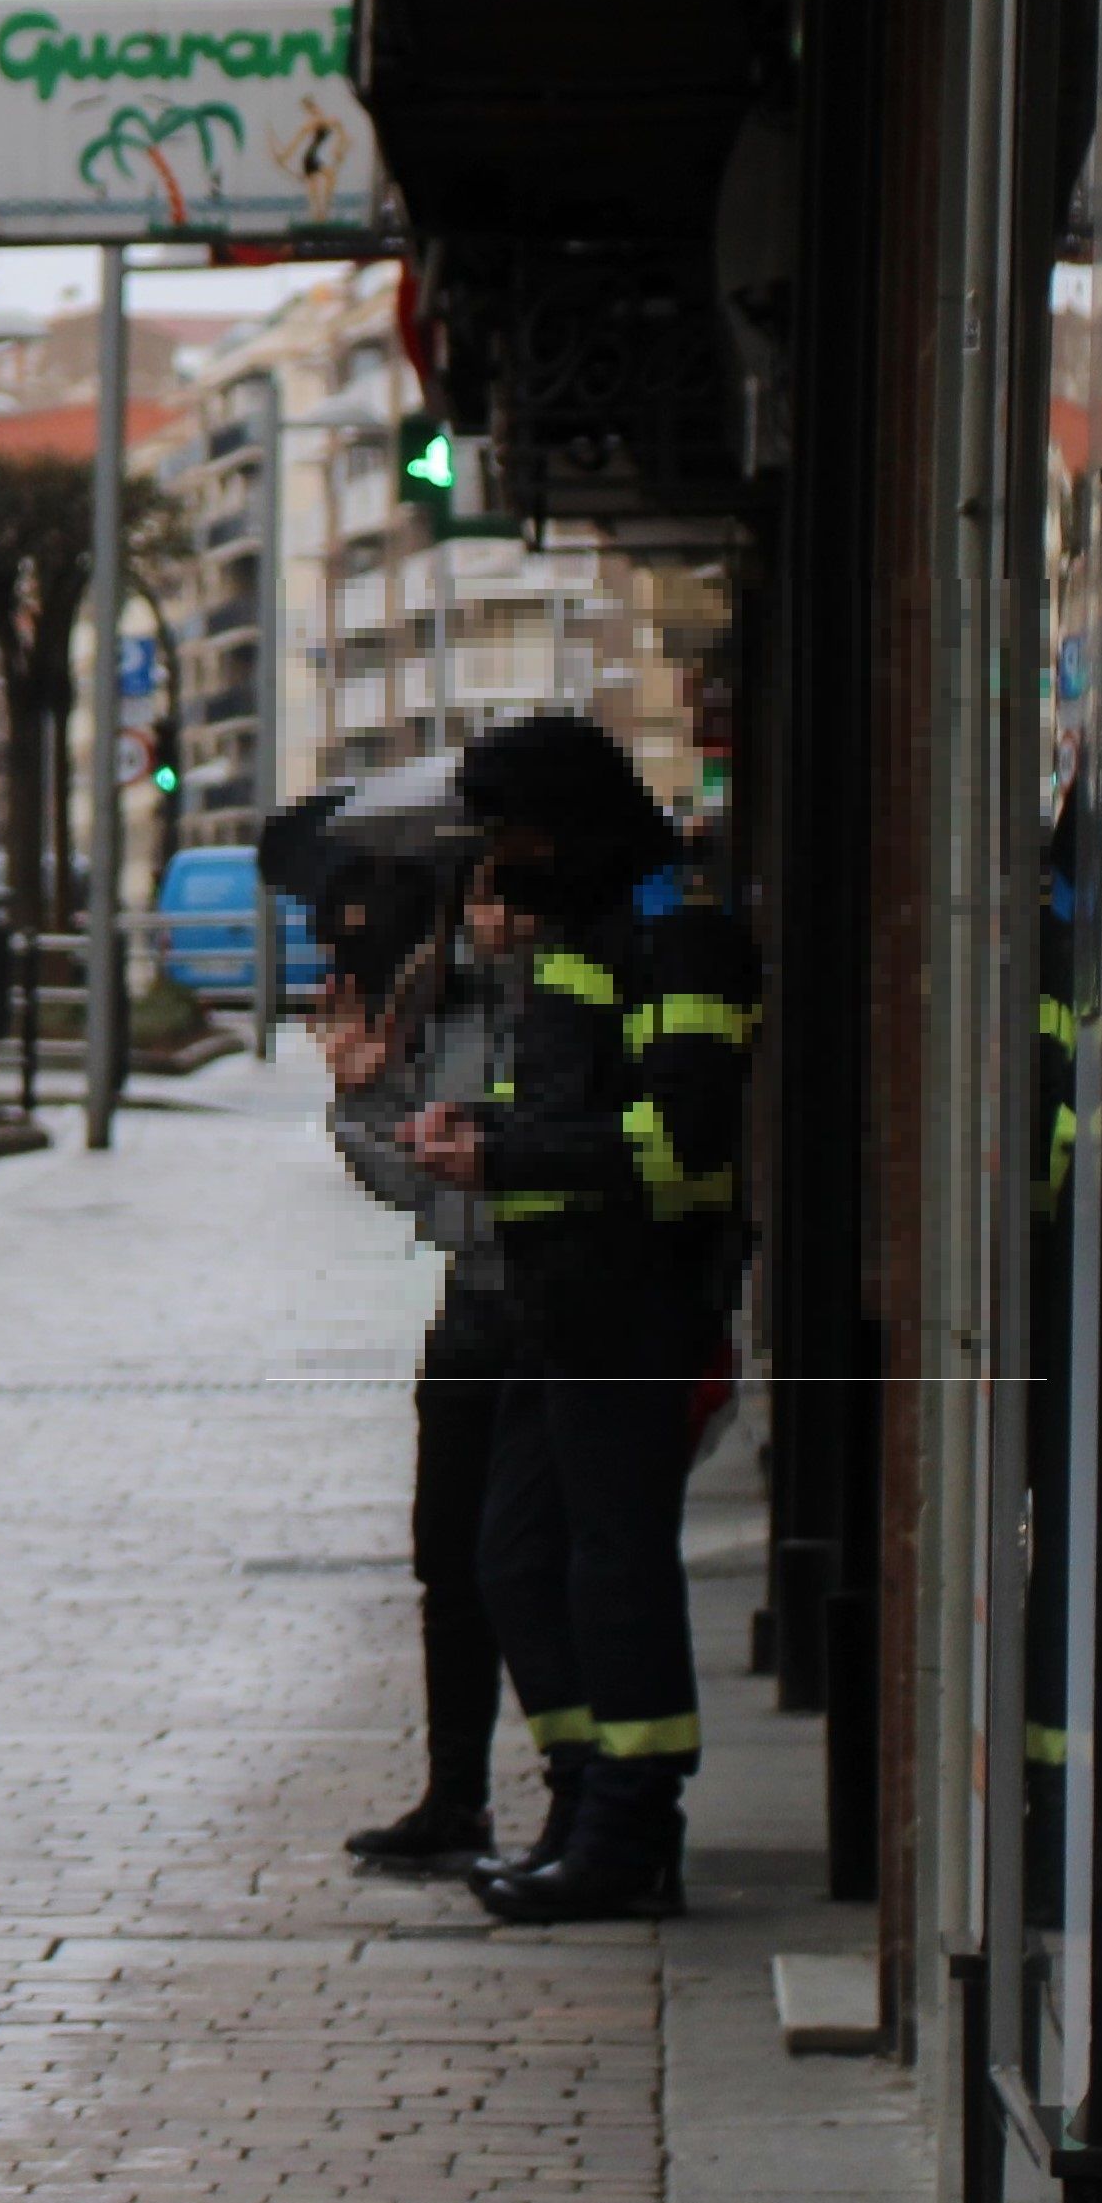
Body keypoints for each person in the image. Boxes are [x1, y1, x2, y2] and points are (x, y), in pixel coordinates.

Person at [401, 712, 755, 1924]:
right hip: (554, 1300)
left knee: (614, 1565)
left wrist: (504, 1156)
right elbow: (550, 1094)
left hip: (633, 1300)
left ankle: (631, 1828)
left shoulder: (678, 935)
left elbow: (681, 1149)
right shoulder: (581, 936)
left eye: (516, 832)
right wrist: (477, 1130)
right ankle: (578, 1793)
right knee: (513, 1556)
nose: (504, 860)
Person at [324, 857, 553, 1869]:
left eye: (510, 900)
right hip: (469, 1306)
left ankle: (580, 1798)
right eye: (480, 900)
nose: (494, 921)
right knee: (447, 1559)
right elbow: (419, 1184)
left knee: (529, 1566)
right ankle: (454, 1796)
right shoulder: (443, 1008)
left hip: (551, 1310)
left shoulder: (569, 1007)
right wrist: (360, 1104)